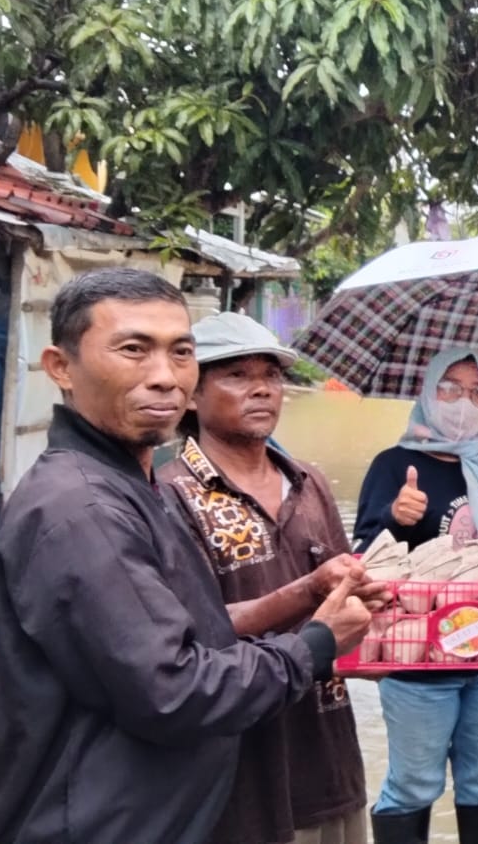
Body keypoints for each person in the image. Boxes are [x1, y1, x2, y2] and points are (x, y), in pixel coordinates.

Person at [0, 268, 371, 844]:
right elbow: (175, 691)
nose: (163, 378)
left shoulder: (134, 488)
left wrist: (306, 594)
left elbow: (187, 634)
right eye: (133, 350)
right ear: (60, 368)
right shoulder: (83, 510)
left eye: (180, 354)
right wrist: (315, 644)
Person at [159, 312, 389, 844]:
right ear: (192, 395)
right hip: (239, 763)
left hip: (328, 754)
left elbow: (342, 606)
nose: (261, 388)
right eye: (236, 375)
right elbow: (194, 633)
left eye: (272, 374)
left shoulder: (309, 482)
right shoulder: (169, 496)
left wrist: (383, 640)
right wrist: (307, 591)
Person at [353, 347, 478, 844]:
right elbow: (363, 560)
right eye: (451, 387)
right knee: (413, 786)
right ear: (427, 390)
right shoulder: (394, 465)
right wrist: (396, 517)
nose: (465, 400)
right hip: (416, 660)